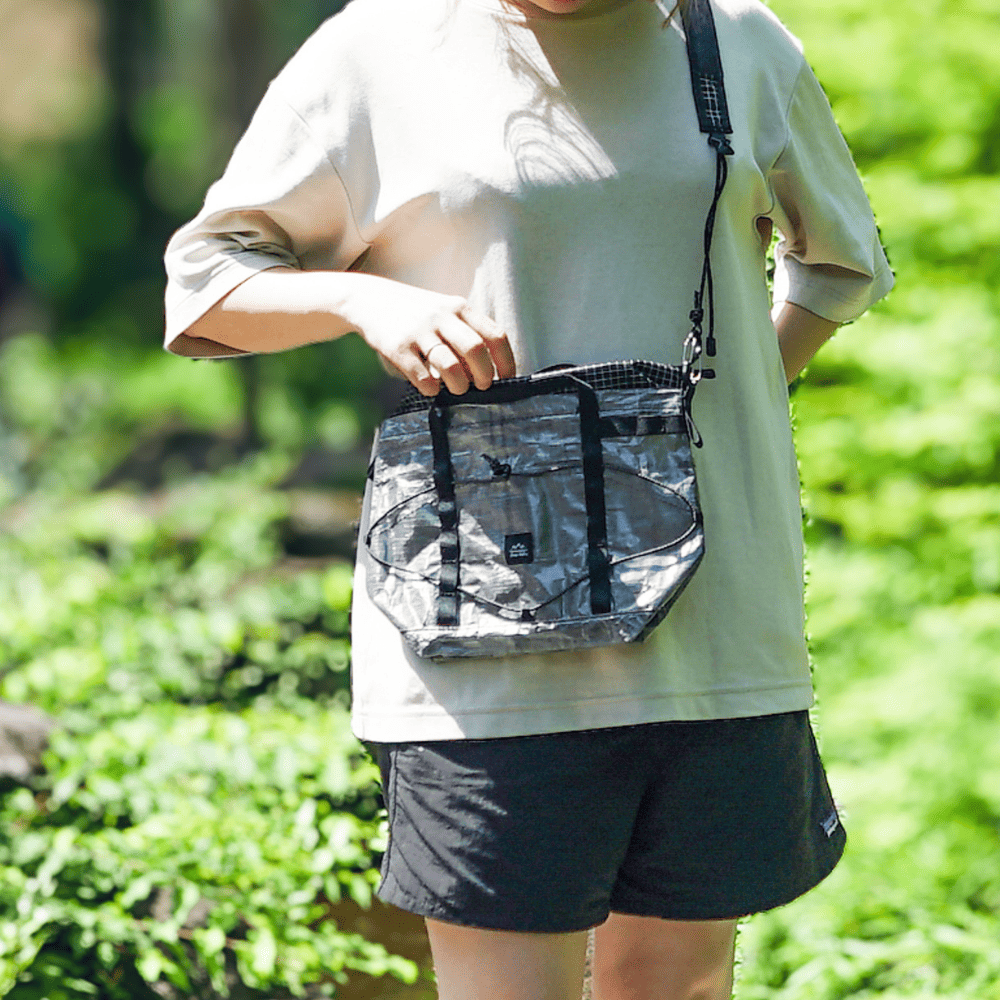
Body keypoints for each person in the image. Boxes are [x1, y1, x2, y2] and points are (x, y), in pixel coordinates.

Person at [163, 0, 893, 996]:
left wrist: (704, 417)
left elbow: (838, 264)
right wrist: (363, 299)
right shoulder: (378, 47)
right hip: (481, 642)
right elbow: (206, 284)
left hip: (715, 629)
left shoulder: (737, 42)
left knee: (678, 985)